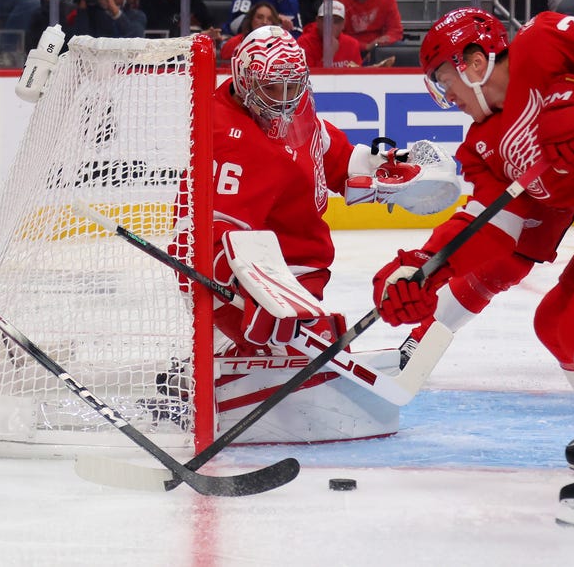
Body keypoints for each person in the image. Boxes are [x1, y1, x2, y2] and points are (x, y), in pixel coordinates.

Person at [370, 6, 574, 529]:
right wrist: (423, 271)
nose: (445, 95)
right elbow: (499, 233)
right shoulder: (485, 147)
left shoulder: (544, 43)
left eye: (444, 78)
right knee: (556, 318)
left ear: (475, 61)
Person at [168, 26, 443, 358]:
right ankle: (221, 346)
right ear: (245, 83)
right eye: (272, 89)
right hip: (244, 286)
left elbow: (328, 153)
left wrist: (384, 166)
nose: (285, 101)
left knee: (319, 346)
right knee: (311, 352)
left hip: (296, 271)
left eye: (294, 87)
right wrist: (252, 288)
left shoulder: (293, 109)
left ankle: (238, 352)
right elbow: (204, 236)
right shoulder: (226, 137)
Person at [332, 0, 404, 63]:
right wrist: (366, 47)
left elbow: (396, 30)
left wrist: (376, 48)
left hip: (379, 48)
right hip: (350, 47)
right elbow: (335, 34)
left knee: (402, 49)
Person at [297, 0, 363, 67]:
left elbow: (358, 74)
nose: (331, 26)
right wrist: (328, 56)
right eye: (327, 20)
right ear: (317, 22)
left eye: (336, 21)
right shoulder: (304, 43)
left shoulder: (352, 44)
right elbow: (307, 76)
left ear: (343, 24)